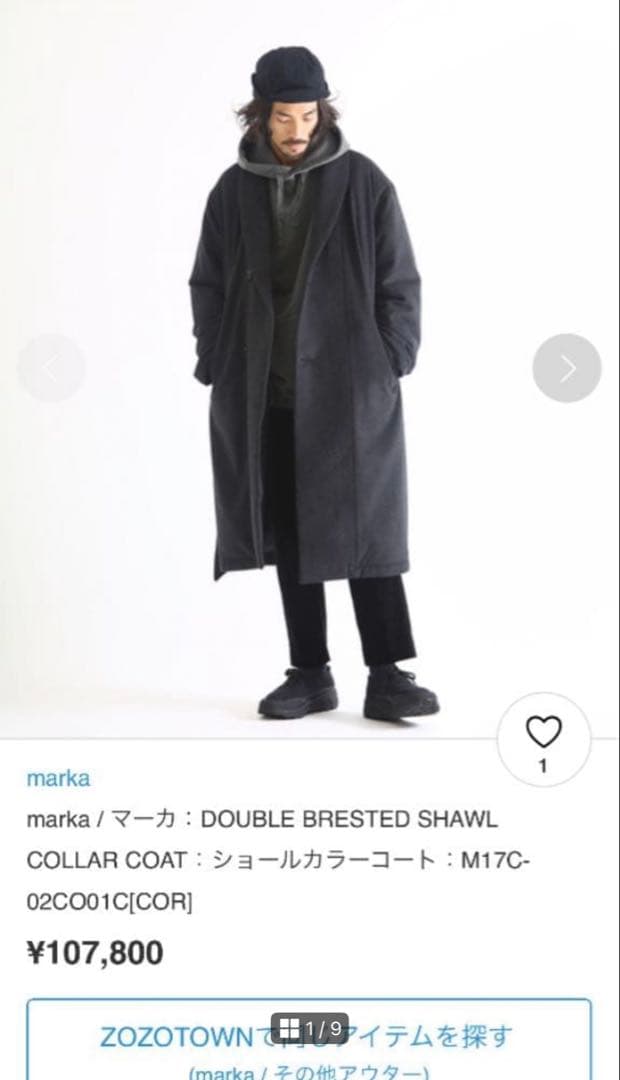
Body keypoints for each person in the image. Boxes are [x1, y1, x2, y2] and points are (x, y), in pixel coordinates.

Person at [189, 45, 439, 722]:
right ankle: (309, 674)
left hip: (351, 387)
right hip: (264, 386)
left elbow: (400, 280)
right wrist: (214, 357)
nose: (297, 130)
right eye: (283, 117)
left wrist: (392, 358)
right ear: (260, 116)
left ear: (323, 112)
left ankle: (389, 675)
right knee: (292, 534)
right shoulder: (232, 190)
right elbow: (207, 280)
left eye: (307, 115)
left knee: (366, 532)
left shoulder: (363, 181)